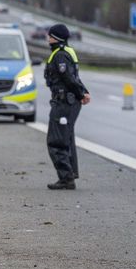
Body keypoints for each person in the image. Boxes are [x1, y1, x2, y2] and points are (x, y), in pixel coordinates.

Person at [43, 23, 90, 190]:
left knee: (56, 141)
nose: (47, 38)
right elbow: (74, 77)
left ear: (55, 37)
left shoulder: (59, 56)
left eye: (49, 35)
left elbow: (69, 78)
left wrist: (80, 93)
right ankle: (69, 175)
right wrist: (83, 92)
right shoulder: (66, 52)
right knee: (66, 138)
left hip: (64, 102)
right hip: (68, 101)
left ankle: (66, 178)